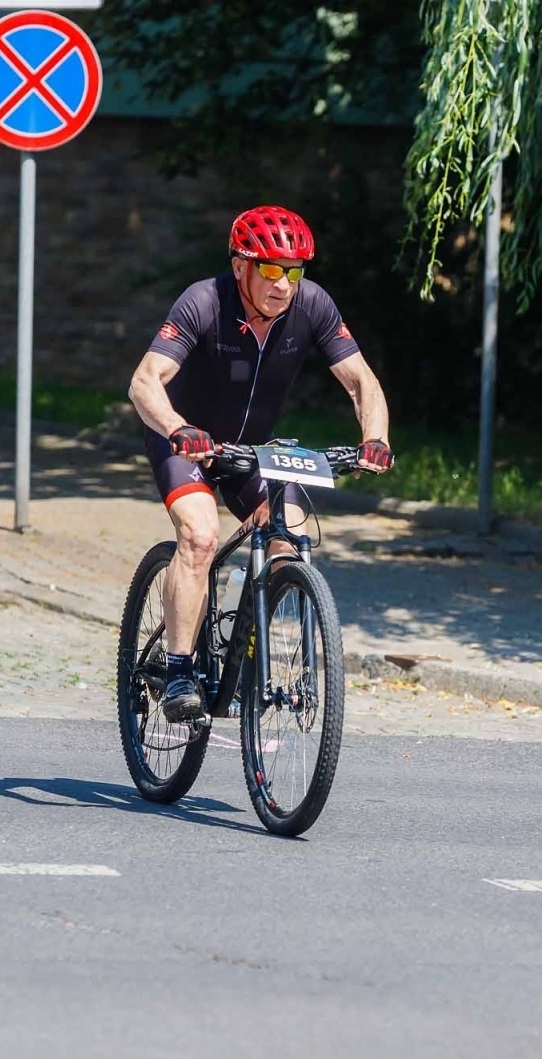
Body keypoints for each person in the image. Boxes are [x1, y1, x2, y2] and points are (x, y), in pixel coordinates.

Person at [127, 205, 394, 724]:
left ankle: (250, 646)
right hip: (187, 444)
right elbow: (145, 382)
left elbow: (362, 381)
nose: (284, 284)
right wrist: (178, 428)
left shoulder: (312, 306)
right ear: (240, 266)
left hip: (254, 450)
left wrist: (374, 438)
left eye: (294, 271)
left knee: (288, 535)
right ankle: (180, 668)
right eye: (271, 269)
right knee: (201, 536)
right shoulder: (203, 302)